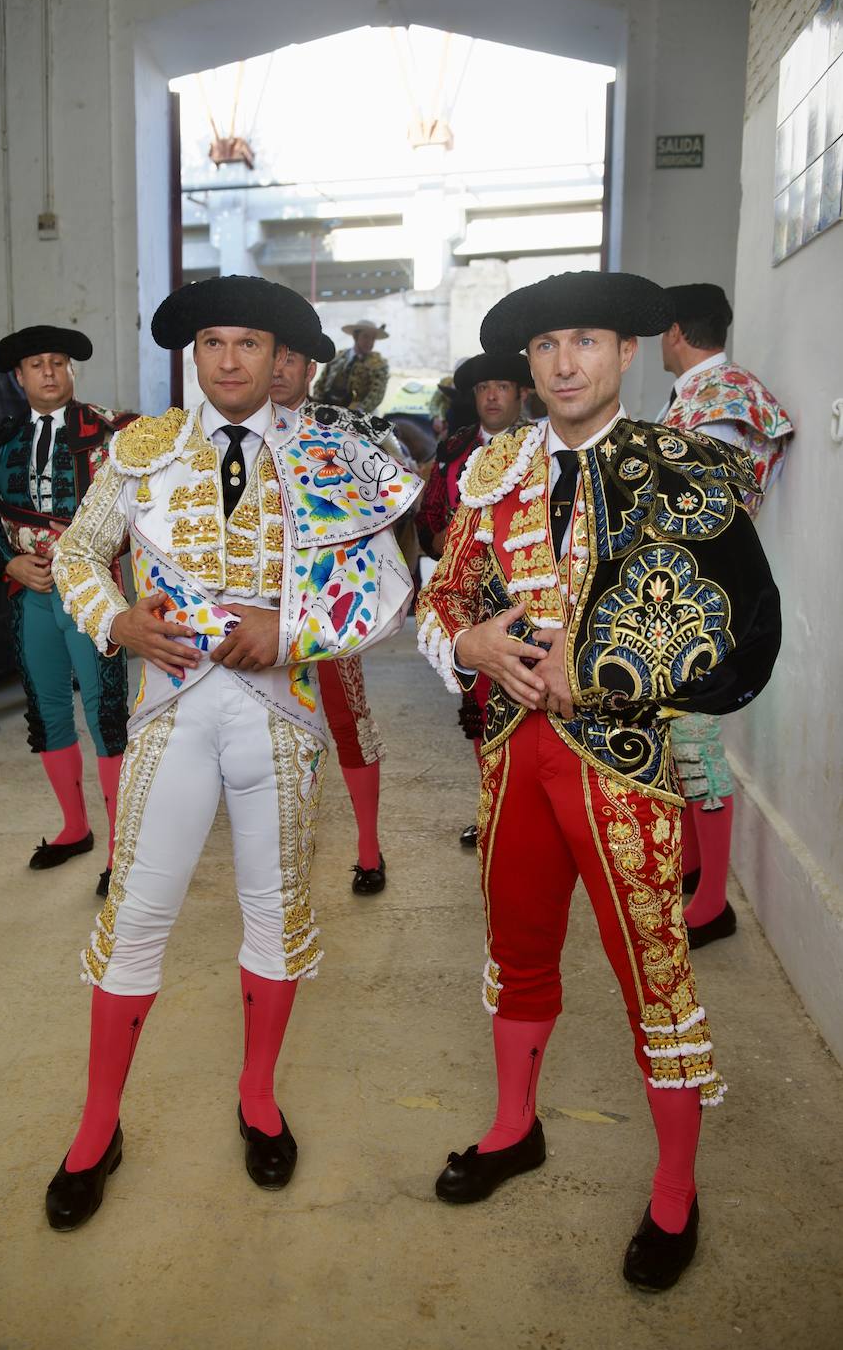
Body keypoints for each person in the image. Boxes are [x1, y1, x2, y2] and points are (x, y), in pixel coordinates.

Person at [416, 271, 781, 1290]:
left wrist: (617, 672)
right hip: (509, 759)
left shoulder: (684, 465)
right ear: (526, 367)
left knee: (653, 974)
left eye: (583, 340)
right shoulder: (493, 470)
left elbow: (746, 630)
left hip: (626, 768)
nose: (562, 362)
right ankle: (512, 1127)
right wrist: (472, 639)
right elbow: (440, 598)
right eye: (543, 348)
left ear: (628, 351)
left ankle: (673, 1193)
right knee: (517, 944)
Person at [45, 275, 418, 1230]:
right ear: (193, 355)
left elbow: (388, 580)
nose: (228, 359)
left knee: (276, 909)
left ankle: (258, 1096)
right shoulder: (143, 451)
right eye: (212, 342)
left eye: (248, 342)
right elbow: (78, 555)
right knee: (136, 912)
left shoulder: (334, 453)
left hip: (280, 714)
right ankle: (96, 1127)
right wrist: (120, 619)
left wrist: (290, 626)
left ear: (275, 354)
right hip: (171, 708)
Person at [0, 328, 136, 896]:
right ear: (18, 378)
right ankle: (75, 827)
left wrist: (102, 554)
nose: (48, 373)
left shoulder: (113, 431)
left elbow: (142, 508)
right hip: (31, 593)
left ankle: (120, 849)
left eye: (57, 363)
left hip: (92, 595)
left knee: (107, 713)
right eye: (37, 365)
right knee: (47, 709)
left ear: (72, 371)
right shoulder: (1, 440)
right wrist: (9, 563)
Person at [659, 282, 794, 948]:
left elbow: (703, 502)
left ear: (677, 332)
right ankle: (693, 872)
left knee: (695, 738)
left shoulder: (716, 402)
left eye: (662, 330)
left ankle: (712, 902)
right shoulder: (711, 394)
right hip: (693, 584)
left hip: (710, 590)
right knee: (680, 733)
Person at [271, 340, 401, 895]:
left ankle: (368, 848)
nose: (277, 368)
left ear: (310, 368)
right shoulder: (225, 434)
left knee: (347, 719)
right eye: (268, 355)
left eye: (289, 358)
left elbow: (395, 499)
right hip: (252, 605)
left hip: (328, 600)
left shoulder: (352, 430)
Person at [415, 351, 533, 846]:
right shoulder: (455, 447)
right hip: (467, 601)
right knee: (478, 714)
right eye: (484, 387)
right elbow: (432, 518)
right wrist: (451, 541)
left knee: (528, 707)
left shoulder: (540, 446)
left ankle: (524, 813)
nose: (491, 396)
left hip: (524, 600)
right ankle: (493, 809)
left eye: (502, 386)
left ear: (521, 393)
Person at [313, 319, 389, 414]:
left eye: (373, 338)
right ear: (355, 336)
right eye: (366, 336)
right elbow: (321, 383)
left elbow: (377, 394)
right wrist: (318, 404)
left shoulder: (379, 364)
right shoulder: (338, 356)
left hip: (359, 414)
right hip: (328, 407)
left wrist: (357, 412)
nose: (369, 342)